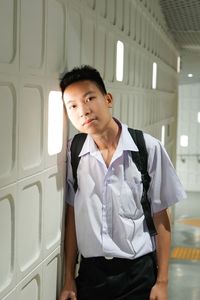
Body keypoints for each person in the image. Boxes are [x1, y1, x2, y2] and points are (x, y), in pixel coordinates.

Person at [58, 65, 186, 300]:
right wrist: (68, 278)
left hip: (137, 276)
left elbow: (161, 219)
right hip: (91, 276)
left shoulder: (147, 148)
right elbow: (72, 217)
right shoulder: (72, 153)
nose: (83, 111)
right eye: (72, 106)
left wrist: (162, 282)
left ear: (108, 99)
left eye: (90, 99)